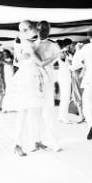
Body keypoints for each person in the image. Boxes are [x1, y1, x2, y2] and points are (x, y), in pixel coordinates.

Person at [12, 20, 61, 156]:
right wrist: (56, 55)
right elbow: (40, 63)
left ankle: (32, 142)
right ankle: (18, 143)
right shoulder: (27, 43)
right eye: (38, 28)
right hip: (30, 78)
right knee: (25, 112)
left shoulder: (22, 41)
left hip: (32, 78)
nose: (41, 31)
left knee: (30, 112)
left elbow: (17, 60)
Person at [33, 21, 62, 152]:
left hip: (48, 81)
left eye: (45, 29)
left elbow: (59, 58)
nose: (42, 31)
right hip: (34, 81)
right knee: (35, 113)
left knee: (49, 113)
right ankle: (36, 142)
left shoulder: (53, 44)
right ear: (36, 30)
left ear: (49, 31)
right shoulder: (31, 43)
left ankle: (55, 142)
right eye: (40, 29)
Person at [57, 38, 73, 123]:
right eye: (71, 45)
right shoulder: (63, 52)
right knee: (66, 97)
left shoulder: (64, 52)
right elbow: (65, 62)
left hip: (63, 75)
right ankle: (64, 117)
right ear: (68, 45)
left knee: (64, 97)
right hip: (64, 75)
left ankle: (61, 115)